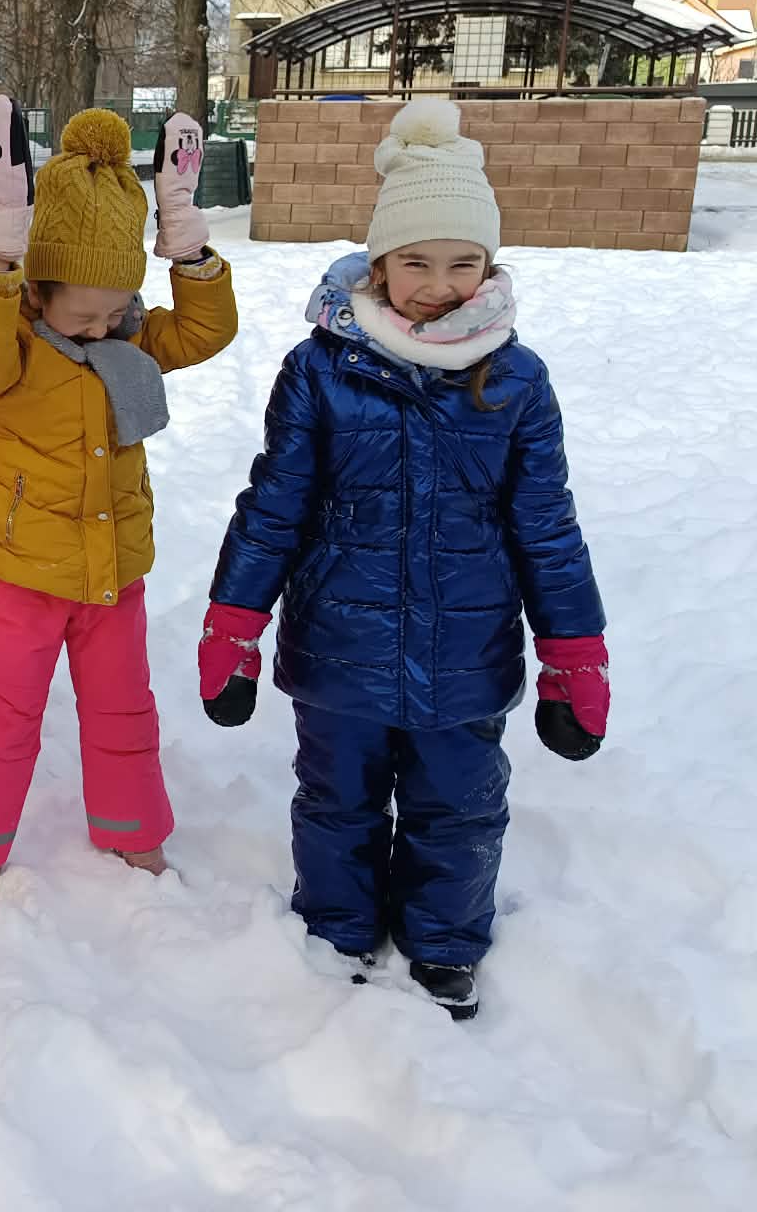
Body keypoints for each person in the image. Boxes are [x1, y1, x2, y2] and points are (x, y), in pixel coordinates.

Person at [201, 98, 610, 1021]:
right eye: (416, 262)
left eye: (463, 263)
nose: (439, 285)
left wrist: (573, 656)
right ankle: (338, 925)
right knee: (335, 800)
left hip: (466, 653)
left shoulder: (516, 380)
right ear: (379, 264)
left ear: (490, 267)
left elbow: (547, 526)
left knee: (458, 806)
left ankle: (444, 940)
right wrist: (234, 626)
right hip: (339, 647)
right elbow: (276, 505)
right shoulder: (321, 370)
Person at [0, 98, 237, 926]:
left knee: (123, 708)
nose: (104, 328)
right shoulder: (11, 347)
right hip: (24, 577)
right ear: (37, 291)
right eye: (84, 314)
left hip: (113, 573)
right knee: (5, 720)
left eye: (116, 310)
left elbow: (206, 334)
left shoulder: (131, 340)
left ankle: (132, 831)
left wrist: (189, 248)